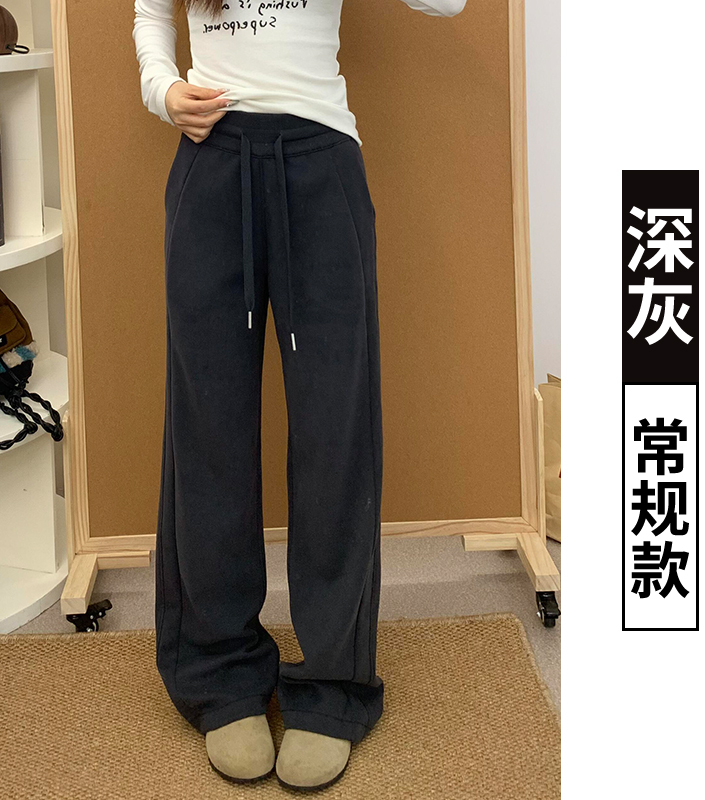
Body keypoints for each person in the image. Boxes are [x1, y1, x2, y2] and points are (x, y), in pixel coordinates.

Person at [132, 0, 466, 791]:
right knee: (208, 427)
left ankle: (333, 682)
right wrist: (163, 89)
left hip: (321, 164)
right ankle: (219, 673)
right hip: (211, 167)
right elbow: (149, 13)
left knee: (333, 429)